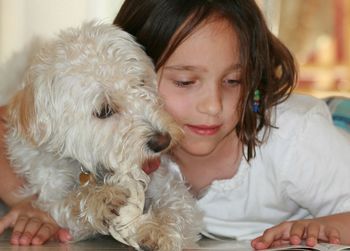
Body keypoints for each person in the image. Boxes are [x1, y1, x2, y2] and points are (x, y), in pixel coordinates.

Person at [1, 0, 350, 249]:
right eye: (184, 82)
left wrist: (323, 225)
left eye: (233, 81)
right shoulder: (131, 142)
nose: (212, 107)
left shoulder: (298, 141)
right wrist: (27, 201)